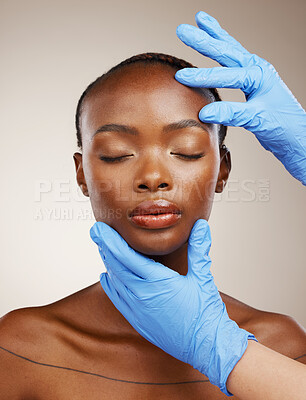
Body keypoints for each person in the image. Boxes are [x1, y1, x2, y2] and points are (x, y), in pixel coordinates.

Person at [0, 12, 305, 400]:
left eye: (186, 150)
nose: (153, 177)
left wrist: (226, 350)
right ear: (81, 175)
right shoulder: (18, 348)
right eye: (116, 154)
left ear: (223, 170)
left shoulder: (284, 346)